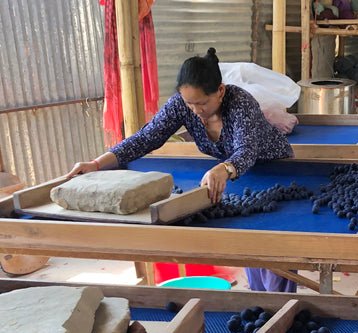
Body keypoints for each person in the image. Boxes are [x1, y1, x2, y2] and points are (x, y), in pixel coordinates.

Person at [67, 47, 297, 293]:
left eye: (202, 103)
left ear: (220, 91)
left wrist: (224, 168)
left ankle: (281, 308)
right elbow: (147, 138)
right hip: (240, 176)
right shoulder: (181, 106)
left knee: (274, 248)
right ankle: (263, 303)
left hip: (276, 172)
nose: (196, 110)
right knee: (250, 242)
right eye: (189, 103)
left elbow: (246, 151)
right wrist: (97, 163)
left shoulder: (240, 103)